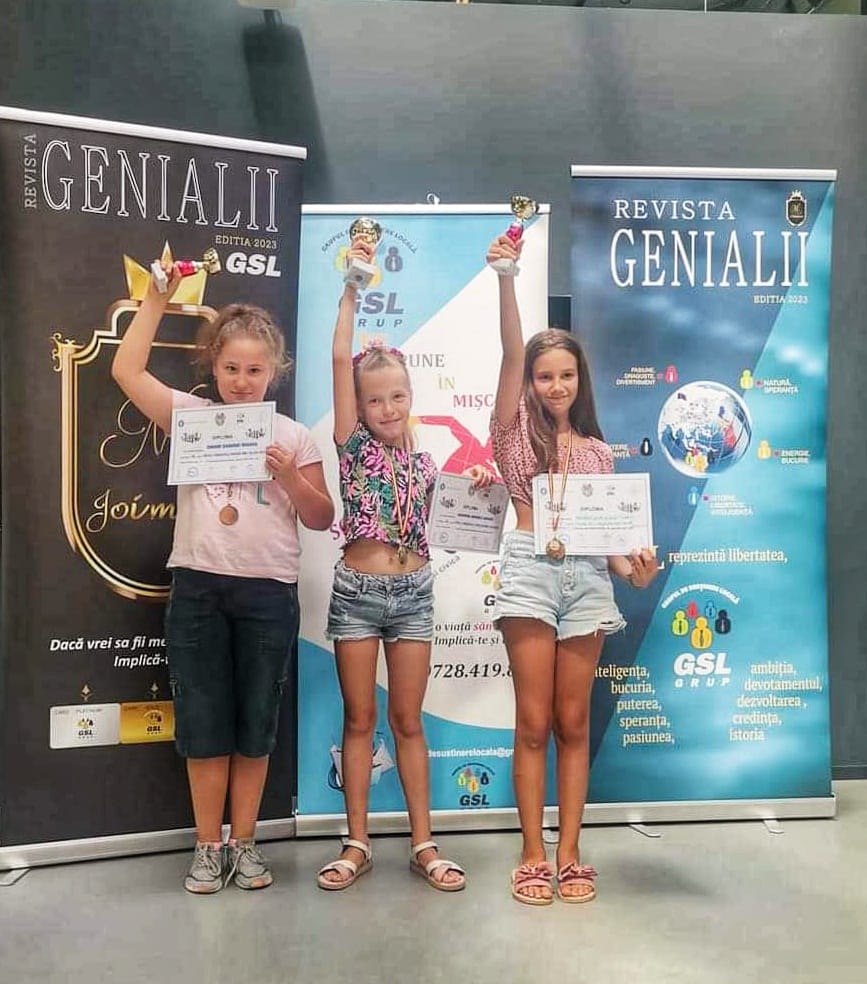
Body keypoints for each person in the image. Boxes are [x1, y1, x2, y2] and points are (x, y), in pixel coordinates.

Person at [111, 260, 334, 895]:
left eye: (254, 370)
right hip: (199, 588)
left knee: (256, 721)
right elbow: (126, 371)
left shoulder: (293, 436)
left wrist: (287, 475)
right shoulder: (190, 416)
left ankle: (246, 843)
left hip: (268, 592)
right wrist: (157, 299)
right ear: (214, 366)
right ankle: (208, 847)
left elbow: (321, 517)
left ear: (275, 371)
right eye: (231, 368)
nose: (241, 381)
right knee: (204, 720)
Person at [486, 233, 659, 906]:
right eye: (544, 375)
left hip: (587, 582)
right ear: (530, 382)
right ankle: (532, 853)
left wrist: (635, 572)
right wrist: (507, 279)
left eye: (566, 375)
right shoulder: (511, 433)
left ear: (579, 380)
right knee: (533, 723)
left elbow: (610, 545)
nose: (555, 385)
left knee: (574, 723)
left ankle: (570, 853)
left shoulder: (597, 452)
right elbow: (509, 351)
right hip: (529, 573)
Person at [316, 238, 491, 893]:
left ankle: (424, 844)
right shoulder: (352, 446)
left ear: (410, 396)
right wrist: (352, 290)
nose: (386, 409)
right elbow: (340, 357)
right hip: (357, 593)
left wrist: (478, 482)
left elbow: (457, 515)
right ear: (358, 407)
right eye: (374, 400)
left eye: (396, 397)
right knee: (360, 720)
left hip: (415, 593)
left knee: (409, 721)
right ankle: (356, 843)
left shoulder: (424, 461)